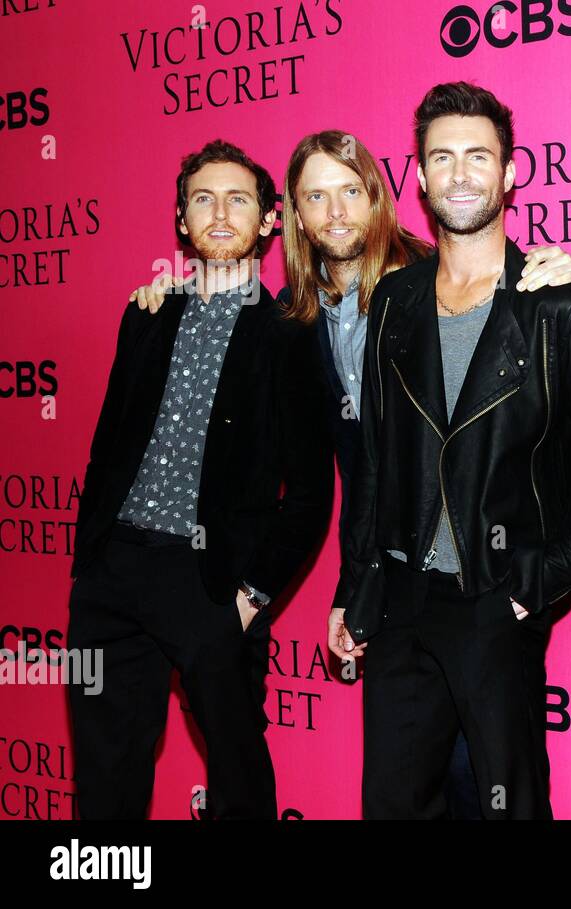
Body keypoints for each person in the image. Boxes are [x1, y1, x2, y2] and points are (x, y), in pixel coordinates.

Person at [332, 82, 571, 819]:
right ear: (421, 177)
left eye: (478, 157)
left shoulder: (557, 301)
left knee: (509, 804)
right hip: (400, 600)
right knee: (391, 804)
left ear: (510, 172)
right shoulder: (393, 299)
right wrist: (353, 584)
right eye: (442, 158)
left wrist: (549, 572)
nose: (460, 174)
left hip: (498, 593)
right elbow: (374, 457)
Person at [68, 139, 334, 819]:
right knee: (104, 783)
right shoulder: (147, 313)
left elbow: (309, 491)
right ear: (181, 219)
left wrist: (249, 597)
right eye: (203, 199)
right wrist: (89, 561)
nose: (220, 213)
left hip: (210, 582)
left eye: (238, 198)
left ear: (270, 220)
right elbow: (107, 448)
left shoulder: (289, 332)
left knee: (239, 782)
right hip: (114, 576)